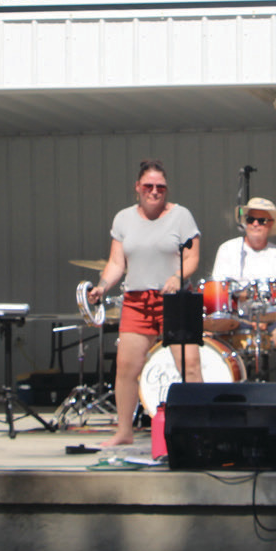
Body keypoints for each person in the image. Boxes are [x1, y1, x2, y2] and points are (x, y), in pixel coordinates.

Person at [87, 159, 201, 447]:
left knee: (189, 366)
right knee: (126, 368)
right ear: (137, 188)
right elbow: (116, 261)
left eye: (160, 187)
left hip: (175, 299)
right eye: (148, 186)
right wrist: (102, 286)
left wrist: (178, 276)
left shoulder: (181, 216)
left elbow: (192, 257)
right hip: (137, 300)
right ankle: (124, 431)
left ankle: (200, 425)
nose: (154, 191)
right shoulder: (123, 219)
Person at [209, 197, 276, 390]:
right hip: (234, 318)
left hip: (271, 321)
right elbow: (218, 292)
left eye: (261, 220)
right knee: (204, 337)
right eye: (251, 219)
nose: (255, 224)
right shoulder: (228, 249)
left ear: (270, 225)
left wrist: (267, 319)